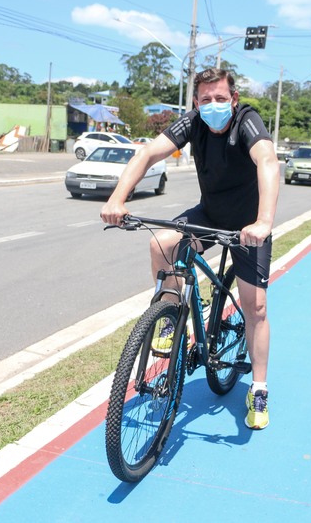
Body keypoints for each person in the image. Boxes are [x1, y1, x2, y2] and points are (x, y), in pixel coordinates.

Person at [100, 68, 280, 430]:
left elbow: (268, 162)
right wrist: (117, 199)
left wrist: (262, 222)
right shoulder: (193, 123)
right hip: (210, 215)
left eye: (219, 98)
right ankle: (169, 318)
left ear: (233, 99)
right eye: (205, 99)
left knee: (255, 307)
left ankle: (258, 388)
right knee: (160, 243)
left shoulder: (247, 122)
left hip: (248, 226)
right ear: (196, 102)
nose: (212, 105)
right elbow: (148, 153)